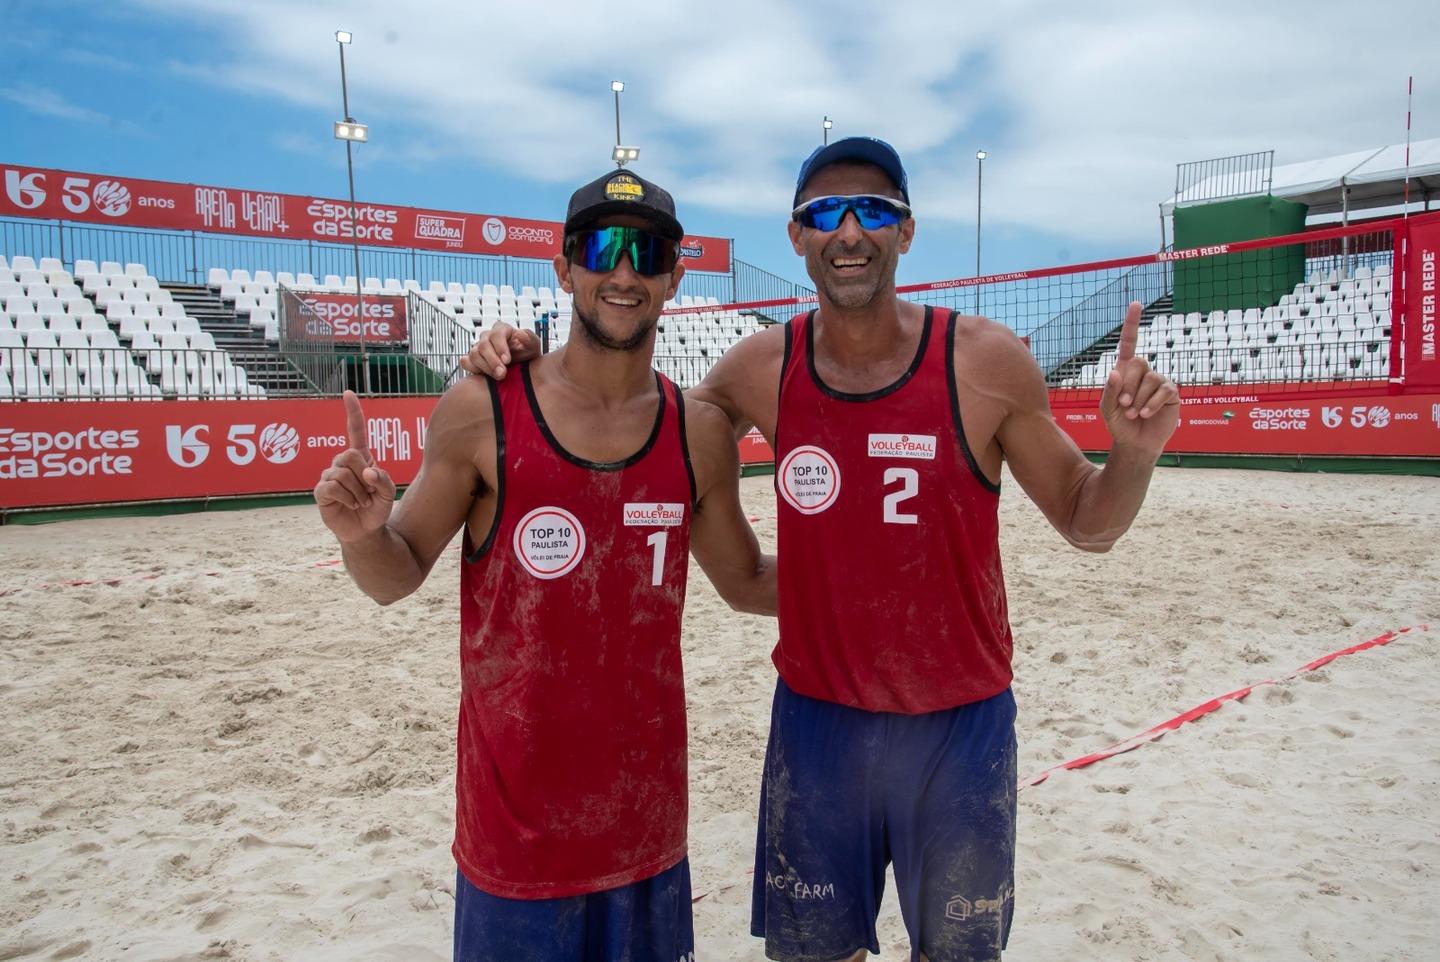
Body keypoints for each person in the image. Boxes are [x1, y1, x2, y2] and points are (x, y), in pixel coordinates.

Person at [462, 137, 1180, 962]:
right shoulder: (762, 367)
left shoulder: (983, 362)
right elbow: (639, 429)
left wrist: (1133, 454)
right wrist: (520, 368)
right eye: (824, 214)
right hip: (817, 727)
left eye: (873, 210)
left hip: (959, 726)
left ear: (906, 232)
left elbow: (1090, 524)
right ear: (797, 236)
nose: (849, 230)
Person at [316, 168, 776, 962]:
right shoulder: (481, 408)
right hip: (516, 840)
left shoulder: (698, 434)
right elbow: (398, 574)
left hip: (646, 826)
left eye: (647, 251)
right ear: (564, 268)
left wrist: (877, 567)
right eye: (601, 248)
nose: (623, 271)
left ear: (674, 275)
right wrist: (362, 536)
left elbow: (747, 582)